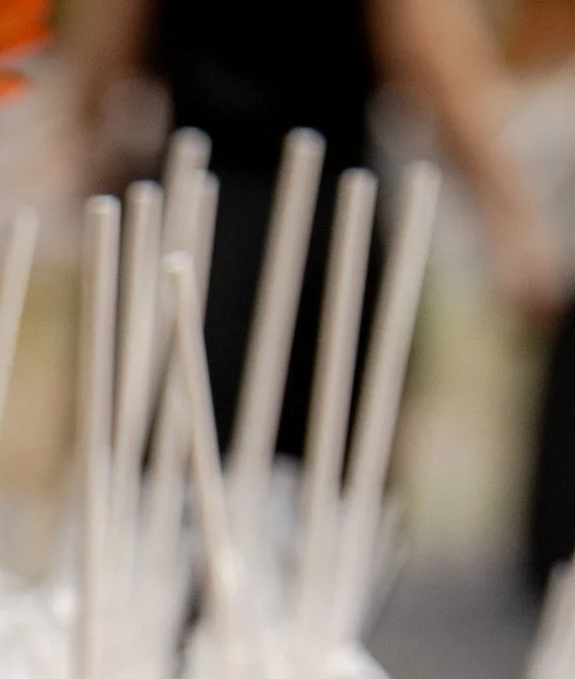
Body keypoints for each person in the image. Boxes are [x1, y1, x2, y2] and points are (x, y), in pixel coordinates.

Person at [68, 0, 560, 457]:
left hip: (202, 211)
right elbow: (428, 45)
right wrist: (509, 213)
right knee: (311, 490)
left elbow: (108, 39)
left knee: (166, 479)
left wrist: (81, 135)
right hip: (318, 227)